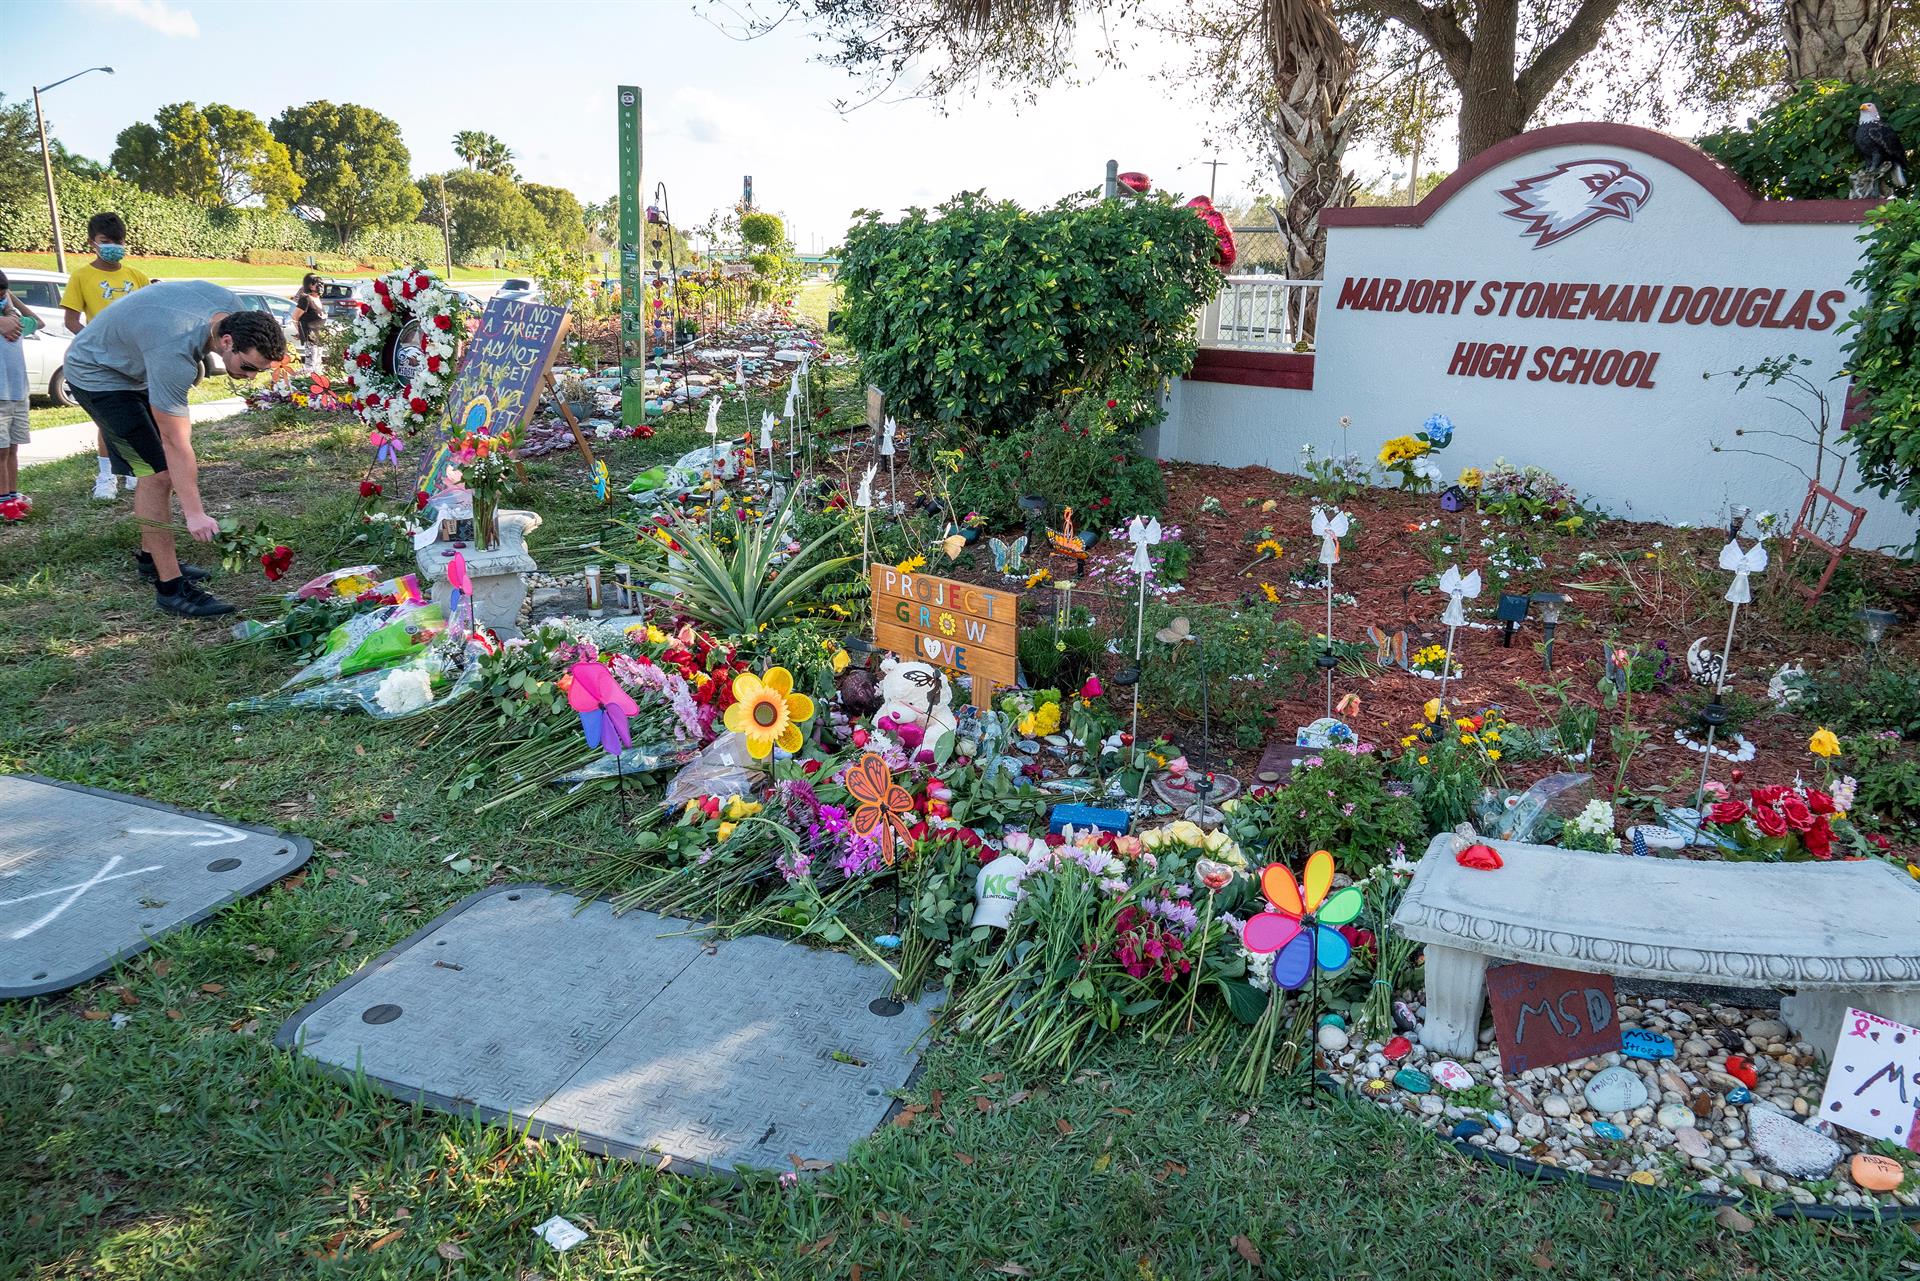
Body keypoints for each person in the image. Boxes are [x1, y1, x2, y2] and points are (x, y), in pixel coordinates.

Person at [63, 282, 286, 618]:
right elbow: (176, 442)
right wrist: (194, 513)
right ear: (227, 341)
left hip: (134, 363)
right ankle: (170, 588)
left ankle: (150, 559)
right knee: (156, 474)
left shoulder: (233, 309)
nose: (251, 377)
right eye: (249, 367)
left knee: (157, 471)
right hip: (98, 374)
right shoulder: (174, 354)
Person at [59, 211, 150, 502]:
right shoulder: (82, 276)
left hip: (135, 363)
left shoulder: (136, 277)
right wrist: (95, 345)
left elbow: (150, 316)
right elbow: (71, 320)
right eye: (106, 240)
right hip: (101, 364)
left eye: (119, 241)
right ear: (92, 243)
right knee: (107, 422)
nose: (113, 246)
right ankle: (106, 476)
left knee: (139, 417)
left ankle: (136, 472)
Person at [0, 271, 31, 519]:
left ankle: (12, 494)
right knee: (0, 450)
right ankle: (3, 501)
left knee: (12, 448)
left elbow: (37, 322)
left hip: (18, 391)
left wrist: (10, 306)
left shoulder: (15, 319)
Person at [292, 272, 327, 371]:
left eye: (321, 283)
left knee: (318, 364)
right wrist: (301, 332)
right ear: (310, 286)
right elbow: (295, 317)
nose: (320, 286)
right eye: (316, 283)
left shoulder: (318, 299)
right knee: (311, 365)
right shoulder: (306, 299)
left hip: (319, 337)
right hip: (310, 337)